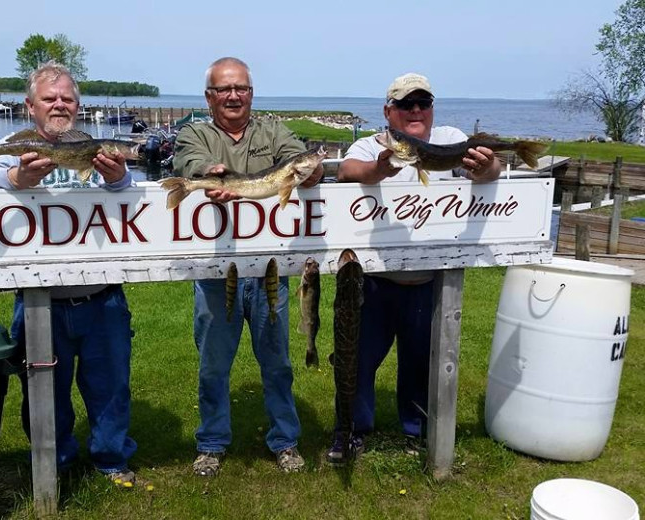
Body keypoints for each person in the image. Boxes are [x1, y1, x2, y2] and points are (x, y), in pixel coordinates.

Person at [0, 61, 139, 486]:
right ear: (31, 106)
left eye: (67, 98)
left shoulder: (91, 146)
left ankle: (111, 460)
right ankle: (55, 463)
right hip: (38, 300)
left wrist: (119, 179)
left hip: (102, 294)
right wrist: (16, 177)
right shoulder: (12, 145)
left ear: (78, 106)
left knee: (110, 387)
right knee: (43, 392)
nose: (59, 104)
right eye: (50, 98)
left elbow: (131, 200)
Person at [328, 73, 500, 463]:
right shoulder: (370, 145)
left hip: (428, 281)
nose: (416, 110)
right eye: (407, 104)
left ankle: (416, 430)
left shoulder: (450, 139)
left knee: (422, 362)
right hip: (372, 281)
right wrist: (379, 170)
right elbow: (347, 172)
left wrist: (486, 168)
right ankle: (351, 430)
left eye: (424, 103)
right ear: (388, 111)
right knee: (357, 359)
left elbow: (490, 173)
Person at [173, 57, 323, 476]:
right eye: (224, 89)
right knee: (213, 365)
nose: (233, 95)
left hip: (269, 270)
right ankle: (212, 443)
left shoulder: (272, 131)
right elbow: (187, 161)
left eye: (241, 88)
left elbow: (299, 162)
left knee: (277, 363)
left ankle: (285, 441)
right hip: (214, 271)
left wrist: (310, 174)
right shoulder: (195, 132)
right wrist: (208, 172)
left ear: (251, 94)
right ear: (209, 97)